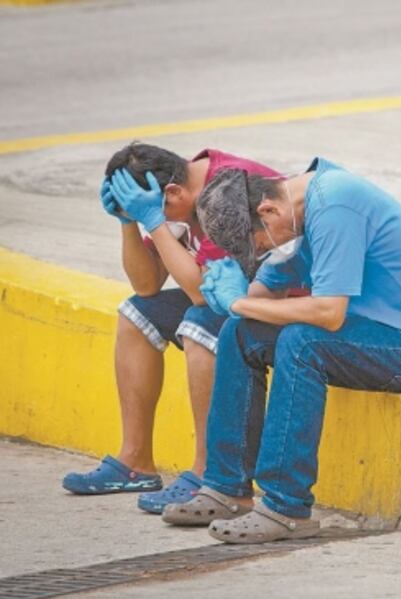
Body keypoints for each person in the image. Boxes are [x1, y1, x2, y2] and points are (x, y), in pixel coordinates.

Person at [159, 157, 401, 543]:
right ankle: (227, 486)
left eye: (257, 245)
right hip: (373, 336)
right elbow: (260, 297)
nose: (259, 255)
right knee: (239, 332)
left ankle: (285, 507)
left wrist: (238, 303)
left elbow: (328, 313)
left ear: (267, 211)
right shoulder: (292, 212)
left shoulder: (335, 205)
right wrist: (229, 299)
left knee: (301, 341)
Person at [62, 143, 280, 514]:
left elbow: (199, 295)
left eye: (157, 209)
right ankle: (135, 463)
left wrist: (154, 222)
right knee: (137, 314)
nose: (156, 218)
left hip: (280, 303)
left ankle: (207, 473)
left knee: (197, 324)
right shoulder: (172, 196)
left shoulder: (224, 191)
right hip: (231, 297)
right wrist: (130, 222)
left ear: (174, 193)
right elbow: (146, 285)